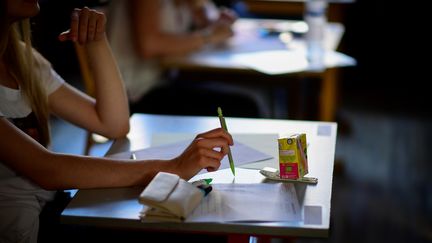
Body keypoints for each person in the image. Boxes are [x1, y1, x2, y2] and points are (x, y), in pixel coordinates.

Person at [0, 1, 233, 242]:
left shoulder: (22, 61)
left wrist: (98, 41)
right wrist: (173, 167)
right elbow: (47, 169)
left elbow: (114, 124)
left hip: (49, 210)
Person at [107, 0, 266, 117]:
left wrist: (212, 23)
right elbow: (149, 45)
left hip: (163, 82)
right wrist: (209, 35)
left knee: (245, 100)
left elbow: (202, 25)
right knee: (246, 106)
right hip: (134, 95)